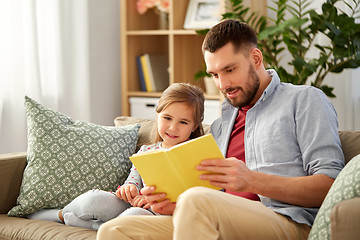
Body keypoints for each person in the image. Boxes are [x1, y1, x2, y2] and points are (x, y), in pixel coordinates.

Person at [96, 20, 345, 240]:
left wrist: (253, 180)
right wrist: (174, 205)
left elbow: (330, 185)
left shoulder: (304, 100)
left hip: (286, 221)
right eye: (214, 74)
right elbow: (208, 197)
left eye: (229, 70)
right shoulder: (222, 123)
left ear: (255, 59)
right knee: (114, 230)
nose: (222, 85)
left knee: (196, 199)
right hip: (217, 217)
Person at [28, 82, 205, 230]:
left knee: (133, 217)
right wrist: (129, 189)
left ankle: (93, 226)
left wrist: (153, 203)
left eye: (183, 122)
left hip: (159, 215)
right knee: (95, 199)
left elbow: (200, 197)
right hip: (133, 203)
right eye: (167, 118)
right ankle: (59, 214)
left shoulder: (196, 155)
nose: (173, 127)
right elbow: (132, 180)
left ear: (195, 125)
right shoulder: (146, 151)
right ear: (157, 115)